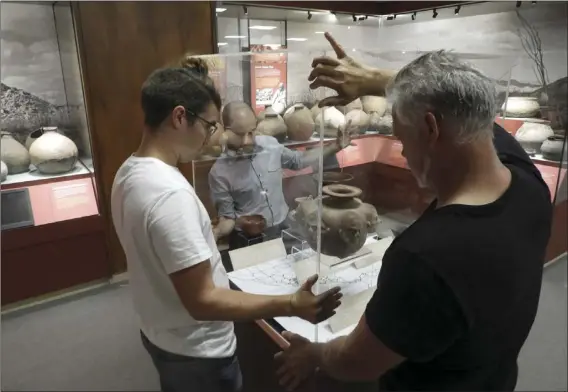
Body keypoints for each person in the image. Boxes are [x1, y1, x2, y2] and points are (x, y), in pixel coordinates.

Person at [275, 33, 553, 391]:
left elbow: (355, 361)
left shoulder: (424, 257)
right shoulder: (529, 185)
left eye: (402, 137)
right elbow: (462, 105)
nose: (403, 151)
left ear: (430, 128)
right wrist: (373, 79)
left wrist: (313, 354)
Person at [110, 57, 343, 392]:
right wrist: (290, 304)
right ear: (179, 117)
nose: (209, 138)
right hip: (198, 350)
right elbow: (203, 300)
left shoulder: (128, 172)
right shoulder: (170, 194)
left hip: (162, 333)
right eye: (208, 125)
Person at [209, 101, 352, 253]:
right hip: (252, 238)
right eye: (239, 134)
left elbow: (298, 160)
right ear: (225, 131)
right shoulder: (219, 172)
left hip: (284, 225)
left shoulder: (269, 145)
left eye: (251, 132)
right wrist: (217, 232)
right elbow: (227, 217)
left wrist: (336, 146)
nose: (247, 141)